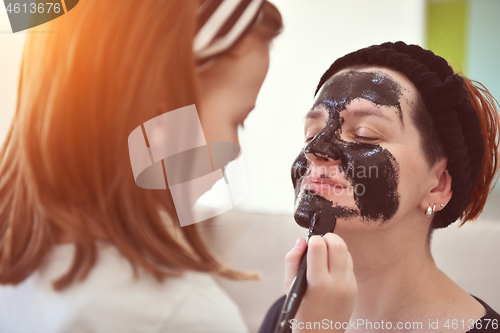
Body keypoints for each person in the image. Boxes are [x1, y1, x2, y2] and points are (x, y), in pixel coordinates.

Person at [0, 0, 282, 332]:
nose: (235, 151)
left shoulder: (21, 270)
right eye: (239, 119)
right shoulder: (185, 315)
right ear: (163, 101)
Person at [259, 41, 500, 333]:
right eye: (311, 133)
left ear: (437, 185)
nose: (315, 149)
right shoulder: (286, 317)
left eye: (364, 135)